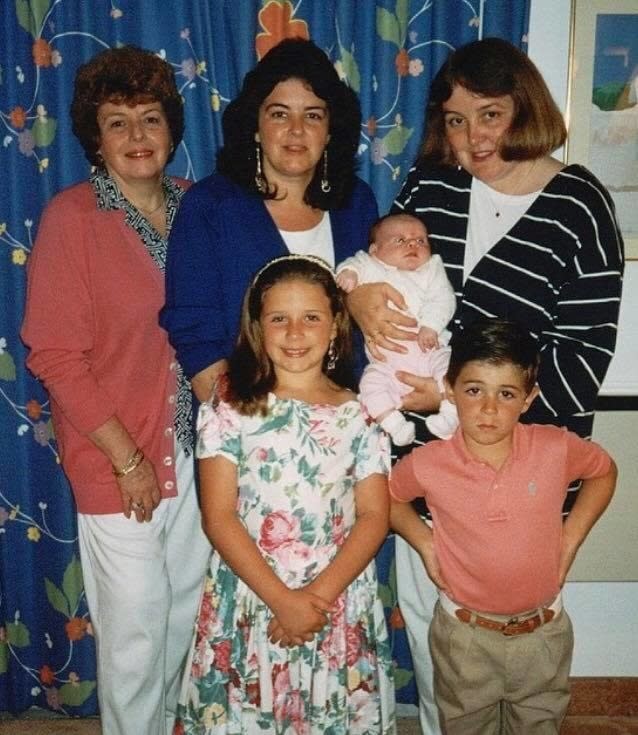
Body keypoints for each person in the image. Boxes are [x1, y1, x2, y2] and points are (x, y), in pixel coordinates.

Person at [346, 37, 625, 733]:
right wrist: (354, 301)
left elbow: (585, 355)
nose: (471, 138)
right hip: (425, 460)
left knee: (523, 668)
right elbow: (374, 270)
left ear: (525, 106)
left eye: (490, 114)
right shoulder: (431, 188)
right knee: (445, 653)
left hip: (517, 472)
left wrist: (448, 399)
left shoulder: (579, 204)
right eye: (456, 118)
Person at [21, 46, 211, 735]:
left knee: (186, 617)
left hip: (199, 452)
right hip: (115, 458)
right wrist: (127, 459)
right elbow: (55, 355)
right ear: (94, 138)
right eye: (118, 122)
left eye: (151, 118)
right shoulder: (73, 219)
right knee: (134, 632)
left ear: (173, 127)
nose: (137, 137)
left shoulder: (199, 207)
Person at [175, 255, 396, 734]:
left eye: (311, 318)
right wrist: (282, 600)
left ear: (336, 325)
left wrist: (313, 599)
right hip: (254, 595)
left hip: (333, 597)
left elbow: (375, 516)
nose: (295, 333)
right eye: (279, 319)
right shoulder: (228, 407)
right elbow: (218, 517)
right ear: (257, 326)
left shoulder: (361, 414)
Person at [389, 318, 617, 734]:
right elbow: (389, 498)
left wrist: (569, 541)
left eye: (506, 393)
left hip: (543, 634)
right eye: (474, 390)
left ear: (528, 399)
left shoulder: (554, 447)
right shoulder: (428, 463)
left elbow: (603, 472)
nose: (489, 409)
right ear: (451, 388)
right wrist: (423, 541)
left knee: (539, 725)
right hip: (464, 636)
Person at [160, 38, 379, 407]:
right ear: (256, 126)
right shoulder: (210, 207)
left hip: (344, 426)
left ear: (330, 131)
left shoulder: (355, 204)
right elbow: (197, 337)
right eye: (279, 113)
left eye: (312, 115)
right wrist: (252, 432)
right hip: (247, 431)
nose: (296, 129)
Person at [336, 213, 457, 445]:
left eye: (421, 240)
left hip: (428, 349)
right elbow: (351, 265)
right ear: (374, 250)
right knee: (370, 383)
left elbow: (444, 298)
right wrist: (348, 274)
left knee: (451, 370)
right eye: (399, 240)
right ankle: (395, 425)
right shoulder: (370, 265)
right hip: (387, 363)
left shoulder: (431, 269)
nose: (413, 244)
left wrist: (431, 326)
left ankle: (450, 415)